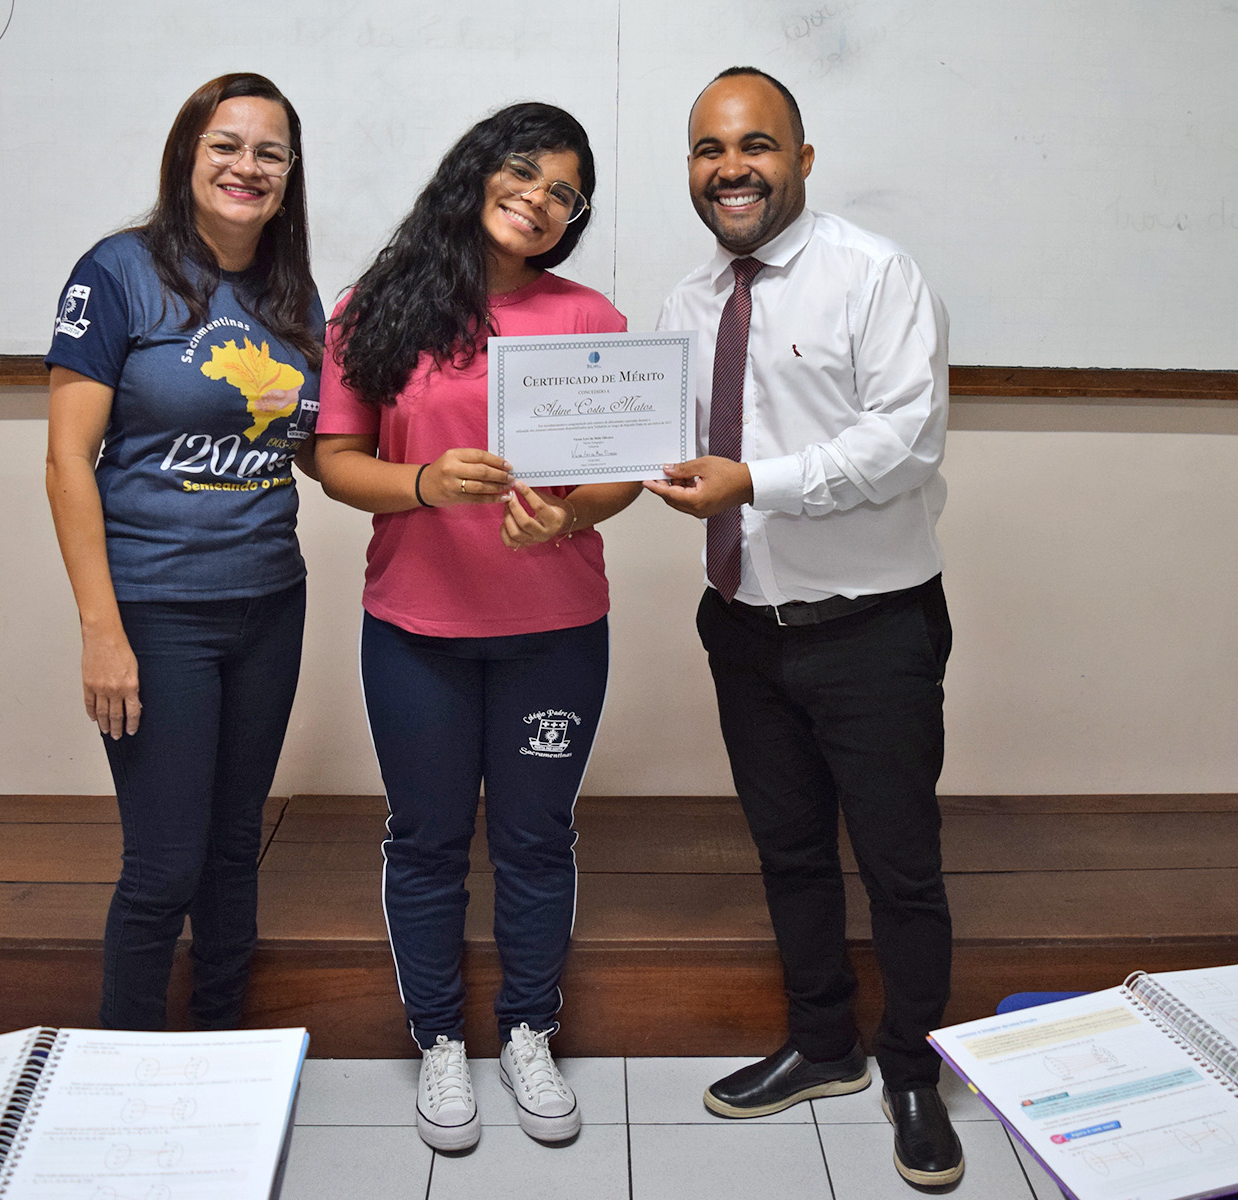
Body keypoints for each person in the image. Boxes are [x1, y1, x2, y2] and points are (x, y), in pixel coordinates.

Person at [647, 67, 962, 1188]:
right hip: (742, 624)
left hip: (871, 629)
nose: (731, 169)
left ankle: (912, 1070)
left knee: (899, 866)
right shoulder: (687, 304)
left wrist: (756, 482)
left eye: (757, 145)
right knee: (788, 854)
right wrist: (572, 480)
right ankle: (824, 1044)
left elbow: (903, 443)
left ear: (802, 159)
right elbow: (661, 444)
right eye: (709, 149)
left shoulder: (873, 275)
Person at [314, 103, 640, 1152]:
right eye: (525, 171)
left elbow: (622, 474)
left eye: (565, 193)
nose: (540, 199)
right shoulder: (374, 307)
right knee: (427, 840)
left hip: (556, 630)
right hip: (416, 630)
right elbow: (335, 461)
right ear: (477, 171)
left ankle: (530, 1032)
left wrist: (570, 515)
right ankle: (441, 1040)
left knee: (537, 839)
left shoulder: (590, 319)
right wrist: (421, 482)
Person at [44, 73, 325, 1032]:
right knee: (165, 865)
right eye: (226, 145)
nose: (248, 166)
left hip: (269, 604)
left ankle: (220, 1056)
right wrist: (101, 632)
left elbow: (310, 447)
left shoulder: (292, 292)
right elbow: (67, 463)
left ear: (289, 175)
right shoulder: (117, 273)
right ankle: (122, 1070)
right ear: (186, 157)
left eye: (270, 153)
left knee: (233, 847)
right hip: (156, 614)